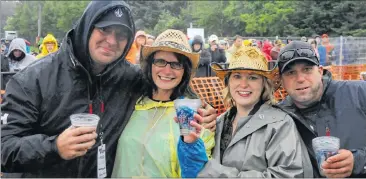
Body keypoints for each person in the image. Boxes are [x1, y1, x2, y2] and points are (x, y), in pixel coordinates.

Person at [1, 1, 216, 178]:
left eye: (121, 34)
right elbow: (5, 148)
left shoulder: (129, 76)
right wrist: (54, 146)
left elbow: (168, 80)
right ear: (87, 27)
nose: (111, 41)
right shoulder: (33, 79)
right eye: (104, 29)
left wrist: (202, 109)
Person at [277, 41, 366, 178]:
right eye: (290, 73)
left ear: (320, 71)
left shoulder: (363, 93)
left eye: (307, 69)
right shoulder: (279, 118)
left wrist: (361, 161)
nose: (300, 78)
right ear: (281, 81)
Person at [177, 46, 313, 178]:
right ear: (228, 82)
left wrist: (216, 173)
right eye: (237, 76)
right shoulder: (218, 122)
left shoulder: (279, 124)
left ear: (264, 84)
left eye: (253, 77)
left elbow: (289, 175)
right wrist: (189, 144)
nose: (243, 84)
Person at [112, 29, 215, 178]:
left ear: (185, 70)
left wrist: (191, 146)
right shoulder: (130, 102)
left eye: (176, 64)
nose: (167, 71)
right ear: (151, 65)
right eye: (160, 61)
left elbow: (199, 172)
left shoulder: (194, 115)